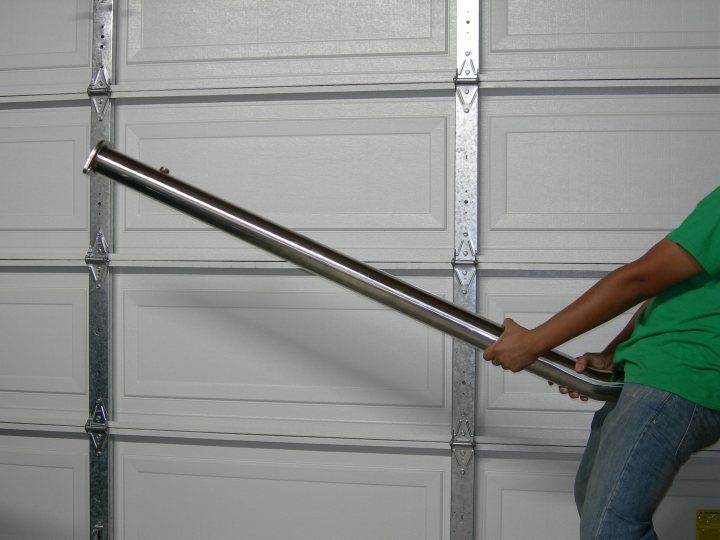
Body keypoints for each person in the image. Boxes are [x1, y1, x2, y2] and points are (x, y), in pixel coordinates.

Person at [483, 186, 720, 539]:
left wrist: (533, 342)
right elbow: (672, 285)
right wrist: (614, 351)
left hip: (679, 381)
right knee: (592, 498)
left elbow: (638, 279)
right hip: (654, 373)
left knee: (609, 529)